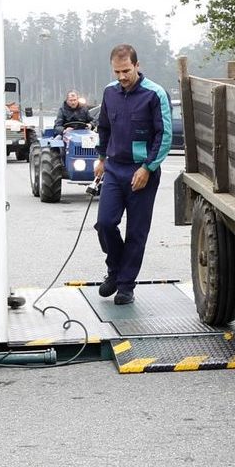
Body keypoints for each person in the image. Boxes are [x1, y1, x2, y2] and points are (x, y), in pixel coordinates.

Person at [92, 44, 173, 305]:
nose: (122, 77)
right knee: (105, 223)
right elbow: (104, 127)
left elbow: (164, 135)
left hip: (142, 171)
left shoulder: (155, 94)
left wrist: (148, 168)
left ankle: (126, 285)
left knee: (136, 232)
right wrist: (102, 158)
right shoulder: (109, 93)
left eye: (126, 70)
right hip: (115, 169)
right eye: (117, 71)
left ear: (137, 66)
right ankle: (115, 271)